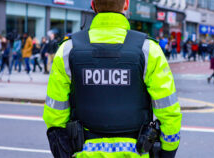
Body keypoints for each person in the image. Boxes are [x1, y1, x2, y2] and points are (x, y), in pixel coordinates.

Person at [43, 0, 182, 158]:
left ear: (93, 5)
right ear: (126, 4)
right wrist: (168, 150)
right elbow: (169, 112)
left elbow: (54, 114)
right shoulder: (149, 50)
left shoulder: (67, 50)